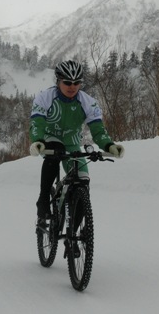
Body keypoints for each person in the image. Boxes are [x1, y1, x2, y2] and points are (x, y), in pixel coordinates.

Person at [29, 59, 124, 226]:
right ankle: (43, 198)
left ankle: (73, 234)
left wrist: (109, 146)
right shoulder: (45, 98)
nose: (72, 86)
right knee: (55, 152)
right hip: (50, 139)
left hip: (72, 143)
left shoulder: (88, 102)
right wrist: (38, 142)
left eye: (77, 82)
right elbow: (37, 123)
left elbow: (98, 131)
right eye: (67, 82)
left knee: (83, 182)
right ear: (58, 81)